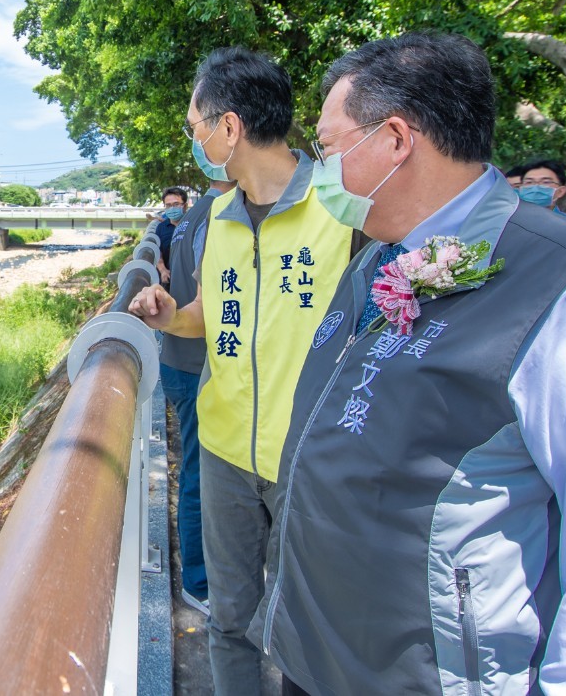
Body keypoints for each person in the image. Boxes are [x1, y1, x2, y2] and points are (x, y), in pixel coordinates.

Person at [248, 32, 566, 695]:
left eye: (327, 147)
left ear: (397, 140)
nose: (320, 169)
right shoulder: (374, 263)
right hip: (318, 659)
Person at [128, 47, 355, 696]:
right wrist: (170, 313)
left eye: (195, 125)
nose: (194, 140)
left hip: (308, 457)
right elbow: (212, 312)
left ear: (229, 128)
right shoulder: (220, 216)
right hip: (226, 450)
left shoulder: (347, 207)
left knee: (312, 627)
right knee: (229, 622)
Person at [159, 177, 235, 614]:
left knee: (195, 471)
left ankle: (202, 578)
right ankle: (199, 583)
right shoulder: (218, 217)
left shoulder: (188, 218)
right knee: (198, 476)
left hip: (180, 360)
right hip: (195, 365)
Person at [153, 186, 189, 284]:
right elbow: (157, 252)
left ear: (185, 206)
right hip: (170, 280)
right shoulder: (161, 228)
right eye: (168, 205)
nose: (172, 208)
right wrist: (163, 270)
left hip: (191, 280)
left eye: (176, 204)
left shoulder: (193, 225)